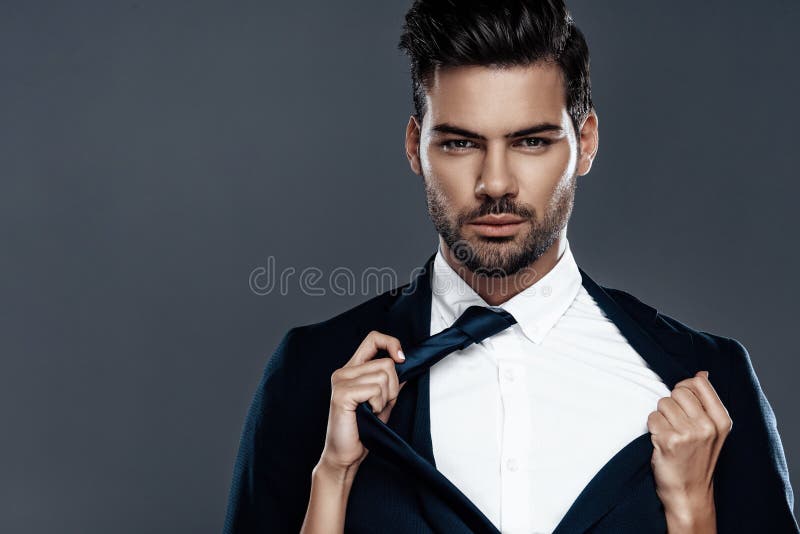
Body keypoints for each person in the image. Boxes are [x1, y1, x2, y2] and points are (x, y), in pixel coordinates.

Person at [222, 1, 798, 532]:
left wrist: (694, 515)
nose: (494, 183)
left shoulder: (704, 383)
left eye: (530, 142)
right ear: (414, 146)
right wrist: (334, 475)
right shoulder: (313, 373)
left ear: (587, 141)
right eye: (459, 144)